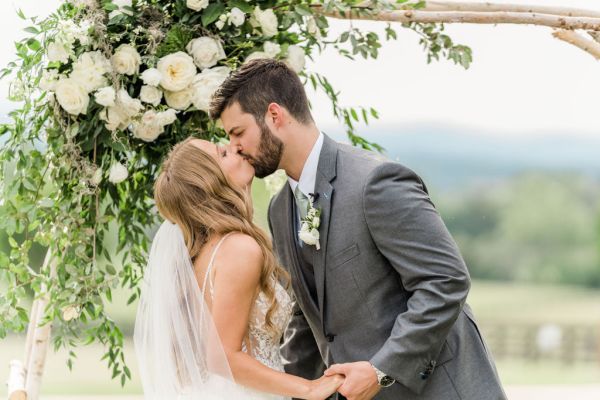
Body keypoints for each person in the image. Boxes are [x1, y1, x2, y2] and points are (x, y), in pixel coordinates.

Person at [209, 58, 507, 400]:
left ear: (274, 116)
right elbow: (306, 320)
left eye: (237, 133)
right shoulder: (280, 210)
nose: (234, 148)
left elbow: (446, 281)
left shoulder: (375, 182)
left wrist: (382, 369)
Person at [133, 136, 344, 399]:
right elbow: (222, 356)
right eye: (222, 154)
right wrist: (309, 388)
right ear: (210, 184)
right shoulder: (240, 250)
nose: (234, 147)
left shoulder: (203, 253)